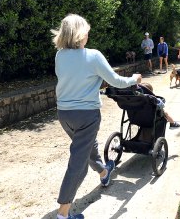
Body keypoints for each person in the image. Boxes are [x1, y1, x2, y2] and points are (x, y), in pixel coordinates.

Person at [51, 14, 142, 219]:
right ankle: (63, 214)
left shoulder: (59, 56)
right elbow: (116, 81)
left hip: (64, 114)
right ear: (80, 34)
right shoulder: (93, 56)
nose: (88, 36)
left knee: (86, 147)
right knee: (78, 163)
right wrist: (134, 78)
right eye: (87, 33)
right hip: (86, 115)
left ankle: (103, 173)